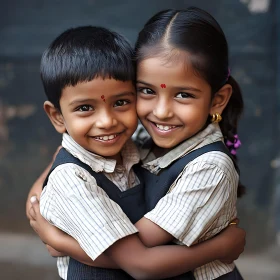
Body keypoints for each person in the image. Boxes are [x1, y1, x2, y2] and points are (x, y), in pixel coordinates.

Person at [27, 18, 245, 280]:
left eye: (183, 95)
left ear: (217, 100)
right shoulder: (137, 132)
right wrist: (48, 212)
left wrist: (60, 242)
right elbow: (58, 170)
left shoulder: (209, 167)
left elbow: (138, 253)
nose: (162, 112)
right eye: (146, 91)